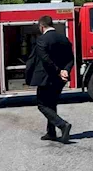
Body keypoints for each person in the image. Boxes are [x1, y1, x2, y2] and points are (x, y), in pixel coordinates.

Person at [25, 16, 74, 144]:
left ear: (42, 27)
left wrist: (58, 71)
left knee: (42, 104)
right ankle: (51, 132)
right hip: (60, 79)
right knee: (51, 104)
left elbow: (45, 59)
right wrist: (65, 70)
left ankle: (63, 125)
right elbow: (71, 58)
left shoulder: (42, 40)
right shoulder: (64, 39)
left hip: (46, 77)